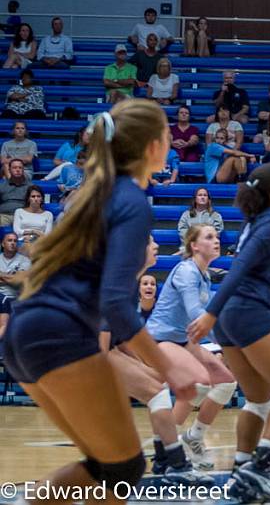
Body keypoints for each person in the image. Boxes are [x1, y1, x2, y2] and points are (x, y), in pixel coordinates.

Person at [3, 100, 200, 501]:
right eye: (165, 134)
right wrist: (166, 367)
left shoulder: (96, 194)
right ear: (151, 147)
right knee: (122, 467)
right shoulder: (131, 201)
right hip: (58, 334)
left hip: (24, 335)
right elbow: (114, 300)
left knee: (106, 465)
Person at [186, 163, 270, 503]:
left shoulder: (256, 222)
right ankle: (261, 465)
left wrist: (215, 314)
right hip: (246, 312)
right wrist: (209, 314)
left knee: (258, 398)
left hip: (230, 316)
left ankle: (242, 473)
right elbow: (238, 267)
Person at [103, 237, 211, 486]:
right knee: (156, 392)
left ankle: (165, 459)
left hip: (109, 348)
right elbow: (100, 343)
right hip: (87, 354)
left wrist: (146, 366)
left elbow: (122, 340)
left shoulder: (130, 284)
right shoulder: (117, 285)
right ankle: (176, 463)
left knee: (158, 387)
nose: (155, 246)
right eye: (149, 242)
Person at [147, 224, 237, 470]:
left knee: (226, 381)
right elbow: (195, 313)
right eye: (209, 237)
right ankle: (166, 449)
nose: (216, 240)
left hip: (183, 339)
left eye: (217, 236)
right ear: (194, 246)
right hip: (160, 338)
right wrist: (226, 342)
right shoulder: (186, 272)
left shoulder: (204, 274)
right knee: (197, 383)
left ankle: (195, 436)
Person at [0, 232, 29, 339]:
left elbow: (19, 280)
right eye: (9, 240)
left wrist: (1, 275)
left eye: (15, 241)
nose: (13, 243)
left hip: (14, 298)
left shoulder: (24, 260)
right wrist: (12, 277)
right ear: (3, 244)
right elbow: (15, 279)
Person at [0, 158, 31, 225]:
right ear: (9, 170)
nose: (17, 170)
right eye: (14, 168)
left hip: (24, 216)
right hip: (4, 216)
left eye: (20, 168)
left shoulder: (31, 187)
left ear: (23, 170)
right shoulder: (1, 186)